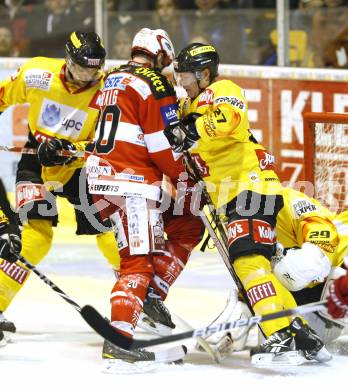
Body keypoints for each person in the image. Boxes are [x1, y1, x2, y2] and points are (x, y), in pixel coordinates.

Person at [163, 42, 331, 365]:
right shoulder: (190, 107)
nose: (180, 83)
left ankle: (278, 337)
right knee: (257, 268)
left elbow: (228, 118)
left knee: (249, 264)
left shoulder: (222, 90)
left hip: (249, 189)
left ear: (204, 74)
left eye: (185, 77)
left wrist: (190, 130)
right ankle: (300, 333)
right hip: (234, 196)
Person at [86, 27, 203, 369]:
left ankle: (148, 294)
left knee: (186, 222)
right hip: (131, 182)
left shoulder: (111, 78)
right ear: (162, 55)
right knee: (137, 261)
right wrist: (185, 175)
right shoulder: (154, 82)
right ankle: (119, 340)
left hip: (99, 181)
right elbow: (161, 145)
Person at [0, 31, 120, 343]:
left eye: (94, 70)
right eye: (82, 69)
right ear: (68, 59)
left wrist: (72, 147)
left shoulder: (107, 89)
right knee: (35, 239)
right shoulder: (37, 75)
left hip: (80, 168)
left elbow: (110, 143)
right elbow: (2, 95)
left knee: (108, 232)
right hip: (36, 165)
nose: (87, 76)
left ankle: (135, 305)